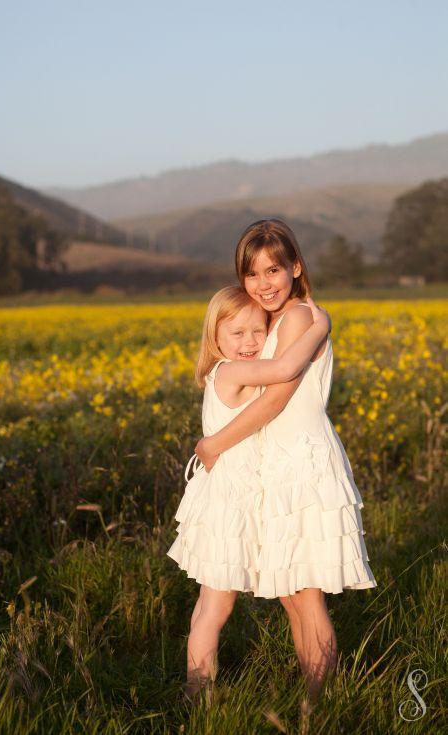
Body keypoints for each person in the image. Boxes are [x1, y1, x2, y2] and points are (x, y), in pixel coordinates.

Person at [194, 219, 377, 708]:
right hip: (277, 466)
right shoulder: (271, 320)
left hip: (302, 466)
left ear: (296, 267)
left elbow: (276, 399)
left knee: (306, 597)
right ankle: (316, 704)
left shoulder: (299, 316)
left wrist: (213, 445)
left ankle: (323, 704)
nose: (263, 284)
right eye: (251, 275)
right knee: (293, 596)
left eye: (273, 269)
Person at [166, 284, 330, 702]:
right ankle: (196, 692)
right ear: (215, 337)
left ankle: (197, 691)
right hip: (228, 506)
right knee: (214, 608)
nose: (250, 342)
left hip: (232, 498)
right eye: (236, 334)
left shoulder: (228, 370)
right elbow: (286, 369)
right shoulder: (230, 371)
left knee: (212, 607)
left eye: (258, 332)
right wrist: (320, 325)